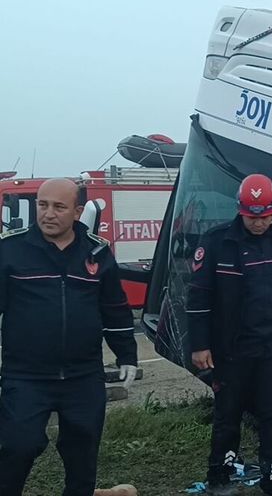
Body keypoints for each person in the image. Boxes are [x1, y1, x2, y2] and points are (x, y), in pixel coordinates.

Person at [0, 178, 137, 496]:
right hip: (26, 376)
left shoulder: (97, 253)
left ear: (77, 211)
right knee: (19, 446)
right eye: (42, 205)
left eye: (58, 207)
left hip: (83, 376)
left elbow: (115, 309)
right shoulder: (10, 250)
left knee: (82, 454)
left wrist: (127, 354)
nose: (48, 214)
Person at [187, 174, 272, 496]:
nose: (258, 223)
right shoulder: (217, 242)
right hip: (230, 348)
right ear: (241, 211)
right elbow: (198, 297)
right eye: (252, 217)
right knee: (228, 414)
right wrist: (199, 345)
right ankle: (220, 475)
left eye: (265, 217)